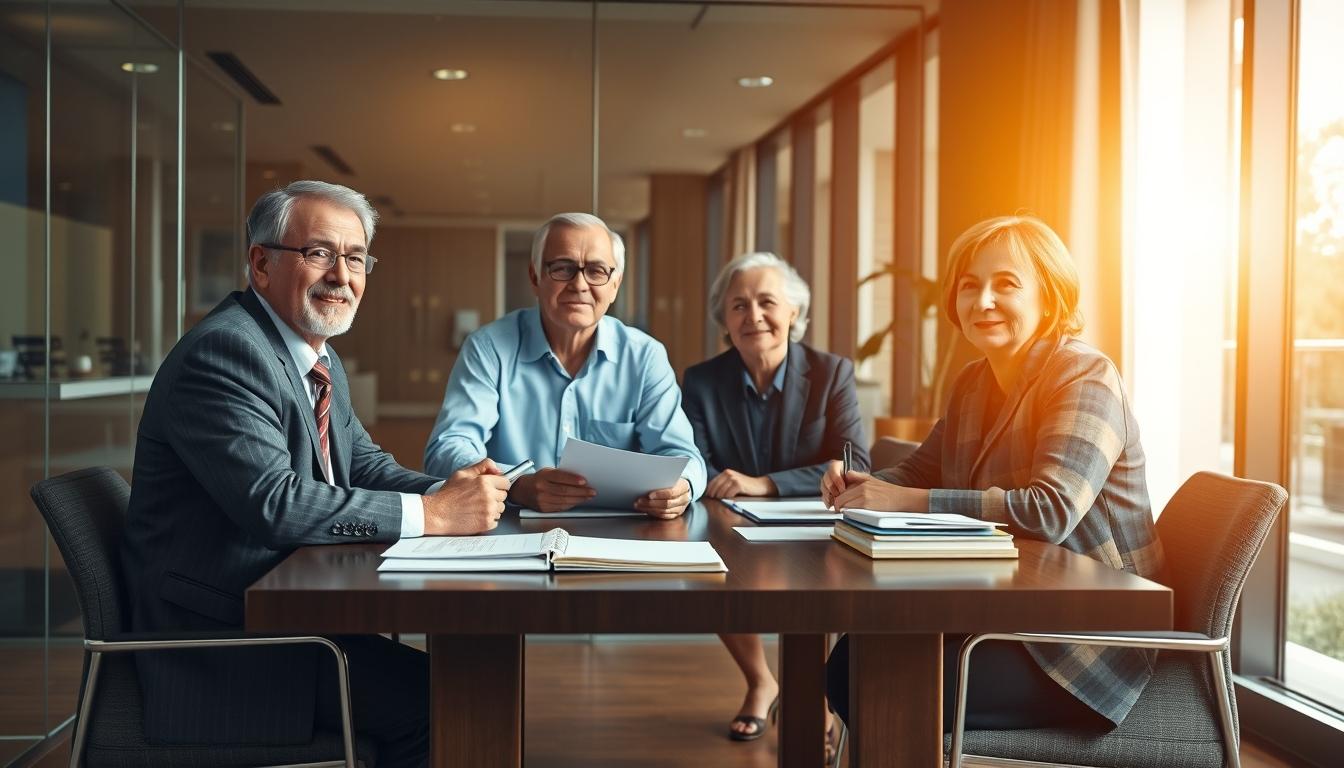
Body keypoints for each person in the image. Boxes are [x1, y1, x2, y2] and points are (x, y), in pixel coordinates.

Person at [120, 181, 511, 767]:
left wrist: (449, 491)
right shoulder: (226, 353)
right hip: (222, 644)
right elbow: (275, 504)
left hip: (286, 616)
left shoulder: (314, 353)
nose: (342, 275)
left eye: (355, 258)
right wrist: (434, 515)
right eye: (319, 253)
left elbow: (363, 464)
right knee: (456, 699)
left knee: (467, 684)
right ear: (261, 263)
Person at [821, 214, 1167, 736]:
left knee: (872, 671)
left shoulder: (1084, 376)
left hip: (1088, 643)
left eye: (1005, 285)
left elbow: (1049, 511)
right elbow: (920, 469)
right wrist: (859, 483)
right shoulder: (974, 382)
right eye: (969, 286)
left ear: (1049, 297)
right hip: (1005, 610)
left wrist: (904, 501)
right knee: (861, 656)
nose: (982, 301)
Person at [682, 251, 868, 740]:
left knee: (823, 585)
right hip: (729, 524)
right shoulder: (702, 381)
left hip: (813, 524)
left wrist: (766, 484)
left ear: (794, 314)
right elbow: (691, 458)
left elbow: (856, 465)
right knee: (709, 577)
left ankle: (815, 697)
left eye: (768, 302)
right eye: (738, 305)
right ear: (724, 318)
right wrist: (721, 480)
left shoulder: (832, 373)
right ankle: (761, 681)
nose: (754, 316)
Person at [424, 212, 705, 518]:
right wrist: (516, 485)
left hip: (617, 533)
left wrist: (683, 486)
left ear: (615, 285)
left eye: (597, 271)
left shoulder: (645, 356)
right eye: (562, 268)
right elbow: (448, 448)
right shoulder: (489, 347)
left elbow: (682, 456)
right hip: (507, 525)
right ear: (535, 277)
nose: (580, 284)